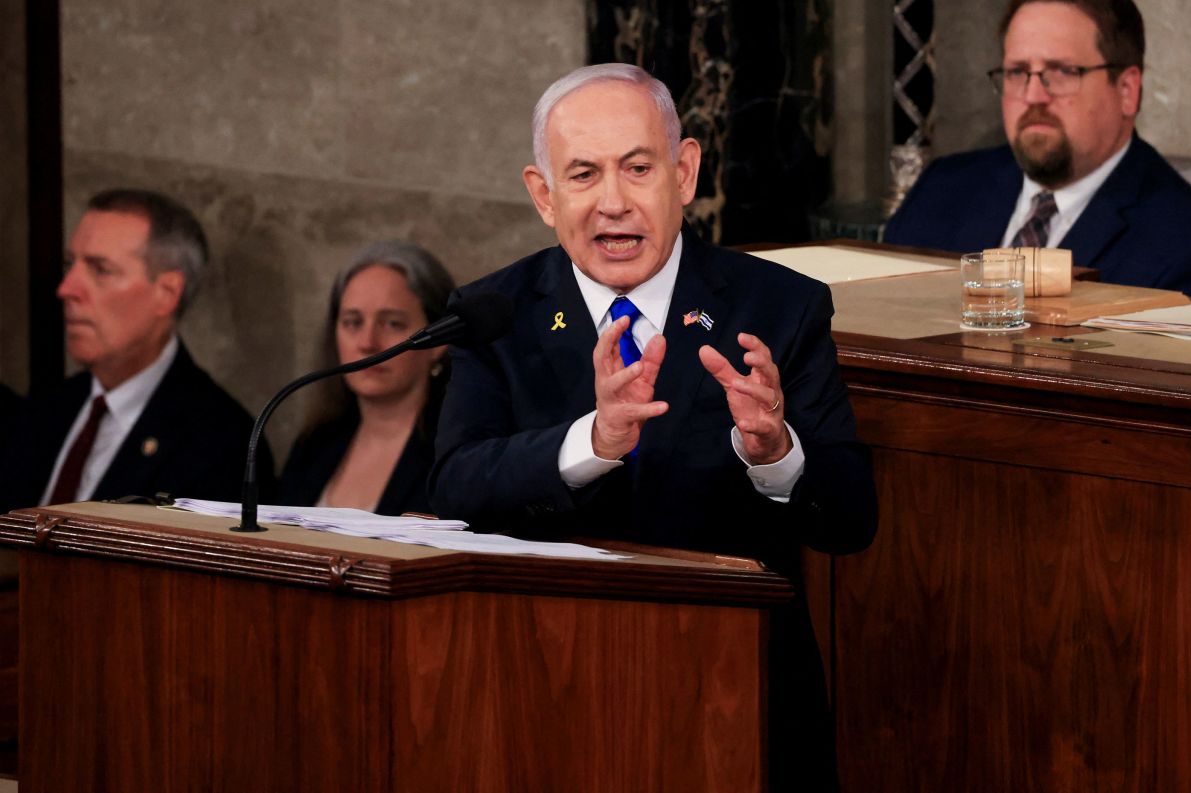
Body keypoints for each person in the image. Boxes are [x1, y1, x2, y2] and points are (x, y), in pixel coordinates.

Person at [428, 63, 877, 790]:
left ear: (685, 171)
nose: (613, 203)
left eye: (638, 169)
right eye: (582, 175)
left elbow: (853, 515)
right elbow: (454, 486)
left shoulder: (777, 306)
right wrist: (592, 443)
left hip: (737, 700)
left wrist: (776, 453)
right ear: (543, 195)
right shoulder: (494, 313)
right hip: (542, 693)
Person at [884, 0, 1191, 299]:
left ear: (1126, 90)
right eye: (1017, 72)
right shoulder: (941, 190)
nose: (1033, 96)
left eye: (1061, 72)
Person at [0, 189, 268, 510]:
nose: (67, 289)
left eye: (100, 270)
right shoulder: (47, 408)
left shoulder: (221, 443)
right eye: (70, 265)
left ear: (166, 293)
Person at [277, 241, 454, 515]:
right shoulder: (315, 443)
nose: (368, 343)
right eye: (353, 322)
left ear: (438, 341)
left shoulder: (458, 455)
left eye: (392, 323)